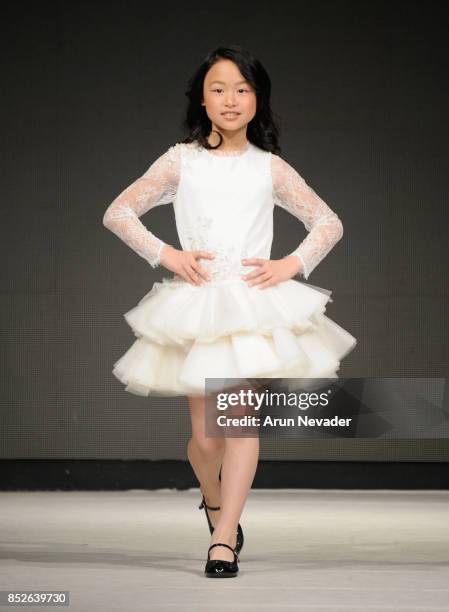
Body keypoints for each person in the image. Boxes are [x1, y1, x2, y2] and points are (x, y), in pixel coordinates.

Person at [102, 44, 357, 577]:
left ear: (258, 100)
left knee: (241, 424)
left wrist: (291, 264)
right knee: (205, 437)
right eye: (219, 89)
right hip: (198, 308)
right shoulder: (180, 161)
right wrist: (166, 254)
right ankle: (215, 501)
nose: (231, 99)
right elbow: (118, 211)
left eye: (243, 89)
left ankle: (223, 538)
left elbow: (328, 222)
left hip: (251, 307)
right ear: (202, 97)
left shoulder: (269, 168)